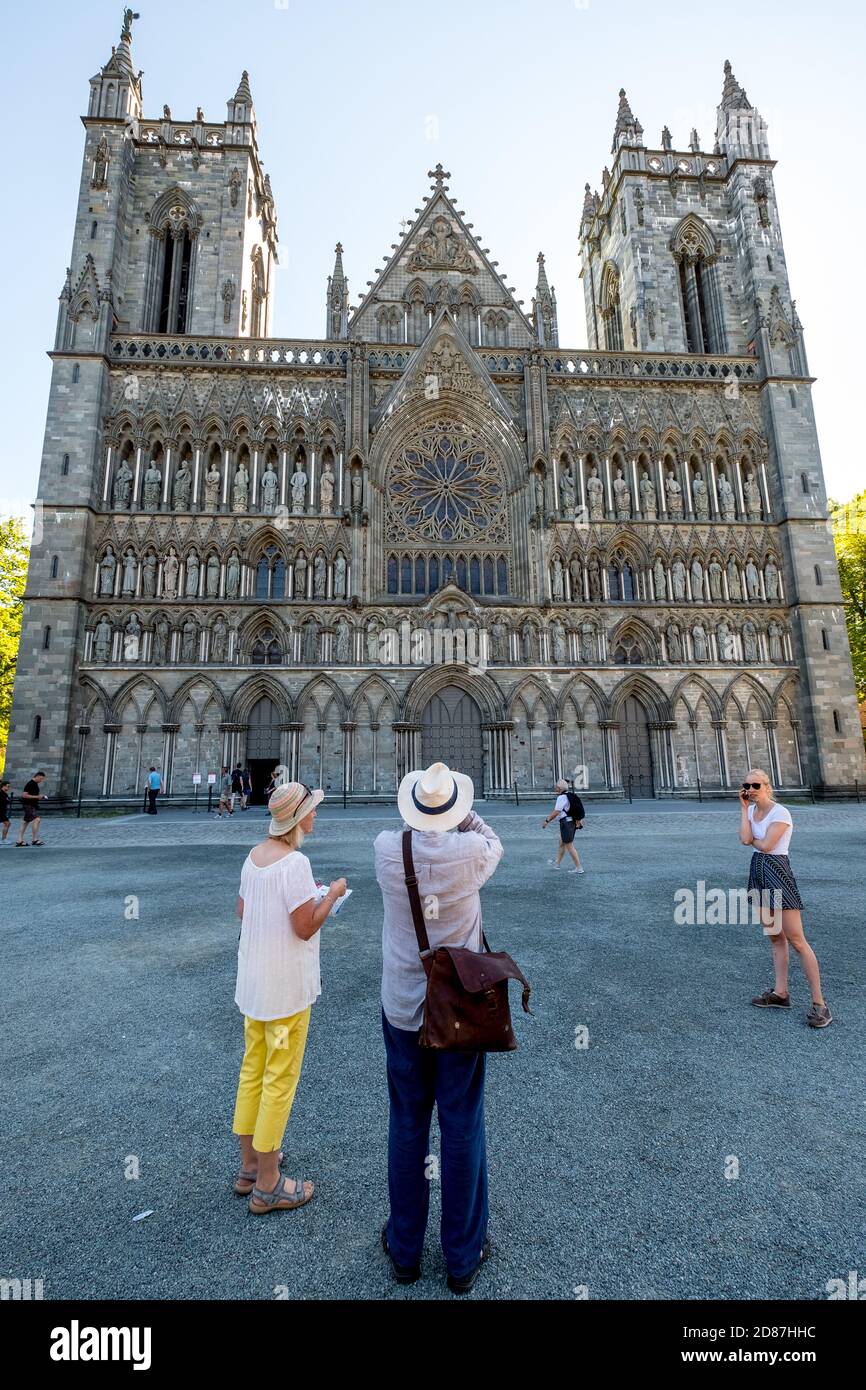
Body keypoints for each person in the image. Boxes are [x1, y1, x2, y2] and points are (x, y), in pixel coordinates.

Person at [374, 760, 503, 1295]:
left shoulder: (386, 849)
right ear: (453, 808)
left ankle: (405, 1251)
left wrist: (423, 818)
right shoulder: (473, 853)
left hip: (404, 1007)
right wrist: (461, 815)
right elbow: (490, 838)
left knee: (407, 1123)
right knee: (461, 1122)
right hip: (459, 1011)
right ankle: (462, 1255)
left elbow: (406, 830)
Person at [233, 782, 347, 1212]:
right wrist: (331, 894)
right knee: (279, 1079)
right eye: (313, 810)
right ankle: (268, 1184)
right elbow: (304, 927)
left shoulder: (254, 857)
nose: (317, 816)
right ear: (298, 818)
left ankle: (249, 1166)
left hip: (254, 987)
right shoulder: (295, 862)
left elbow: (244, 911)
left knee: (253, 1072)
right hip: (284, 994)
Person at [739, 767, 831, 1028]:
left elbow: (767, 846)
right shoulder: (749, 810)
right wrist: (742, 808)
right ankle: (781, 994)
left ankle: (820, 1004)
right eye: (747, 785)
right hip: (758, 871)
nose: (751, 790)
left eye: (756, 785)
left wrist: (754, 840)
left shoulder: (781, 812)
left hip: (777, 870)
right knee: (775, 937)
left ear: (767, 786)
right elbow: (746, 838)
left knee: (797, 940)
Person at [541, 779, 584, 873]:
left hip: (566, 823)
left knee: (569, 845)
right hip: (571, 822)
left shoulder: (561, 797)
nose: (555, 788)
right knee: (561, 842)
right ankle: (557, 864)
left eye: (556, 787)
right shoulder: (570, 795)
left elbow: (556, 812)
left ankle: (579, 868)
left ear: (559, 788)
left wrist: (547, 820)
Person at [16, 771, 46, 846]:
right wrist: (37, 797)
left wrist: (40, 797)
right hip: (28, 805)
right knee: (37, 819)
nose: (41, 781)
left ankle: (19, 840)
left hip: (31, 805)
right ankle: (34, 840)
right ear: (37, 776)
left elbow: (32, 795)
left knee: (25, 822)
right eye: (41, 779)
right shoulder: (30, 784)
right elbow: (24, 795)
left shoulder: (35, 784)